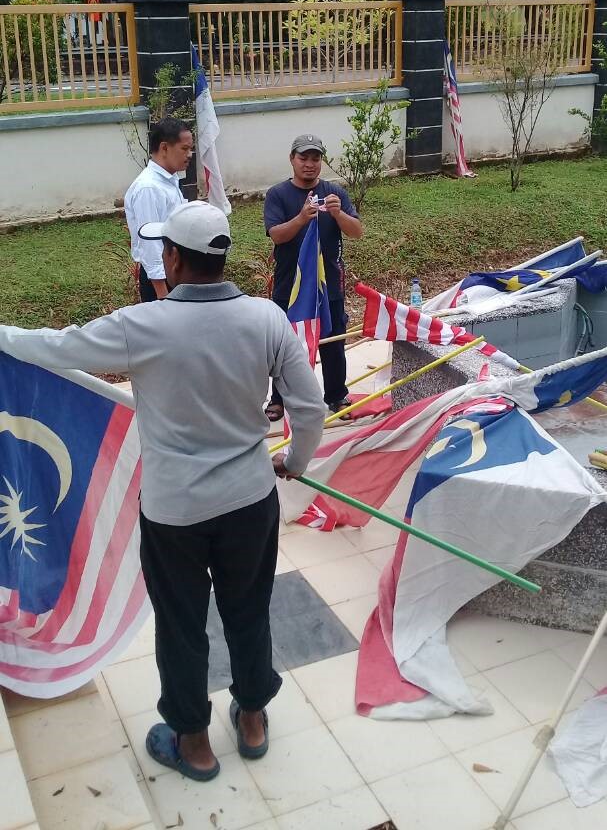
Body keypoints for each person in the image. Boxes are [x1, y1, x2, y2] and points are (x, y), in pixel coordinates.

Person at [0, 201, 325, 781]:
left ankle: (193, 744)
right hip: (250, 501)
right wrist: (295, 462)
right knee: (249, 610)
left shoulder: (141, 326)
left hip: (175, 513)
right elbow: (310, 407)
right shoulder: (267, 319)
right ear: (222, 257)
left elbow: (57, 347)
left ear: (173, 258)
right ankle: (252, 720)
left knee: (181, 624)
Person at [263, 134, 363, 421]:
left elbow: (357, 231)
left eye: (315, 158)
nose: (309, 164)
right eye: (303, 158)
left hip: (328, 283)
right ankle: (279, 399)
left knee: (333, 341)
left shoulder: (334, 193)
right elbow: (276, 235)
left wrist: (338, 214)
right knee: (284, 344)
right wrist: (301, 218)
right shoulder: (278, 194)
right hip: (290, 286)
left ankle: (336, 395)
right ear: (292, 159)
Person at [124, 116, 193, 301]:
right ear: (164, 148)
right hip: (161, 282)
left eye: (191, 149)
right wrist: (162, 294)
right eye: (184, 149)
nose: (189, 155)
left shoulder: (169, 180)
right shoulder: (148, 188)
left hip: (177, 272)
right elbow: (150, 243)